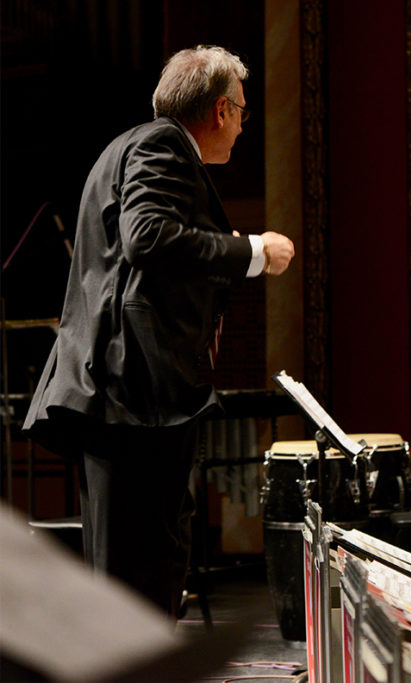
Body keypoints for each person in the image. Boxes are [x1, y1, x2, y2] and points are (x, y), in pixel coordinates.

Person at [22, 46, 295, 616]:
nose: (244, 125)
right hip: (133, 395)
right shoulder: (161, 145)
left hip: (125, 396)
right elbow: (148, 236)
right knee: (139, 575)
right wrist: (251, 250)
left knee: (134, 571)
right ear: (220, 109)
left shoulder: (128, 147)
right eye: (243, 111)